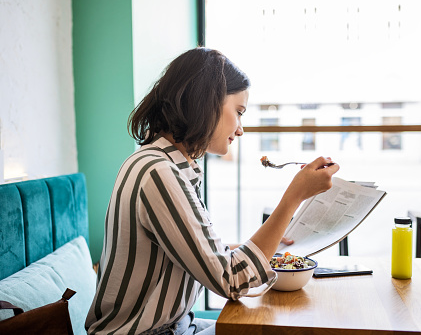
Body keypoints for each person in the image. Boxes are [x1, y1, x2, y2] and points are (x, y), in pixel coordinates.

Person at [85, 47, 339, 335]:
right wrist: (295, 196)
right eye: (238, 112)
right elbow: (231, 280)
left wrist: (267, 242)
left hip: (179, 326)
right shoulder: (158, 173)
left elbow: (203, 254)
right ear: (206, 102)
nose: (240, 129)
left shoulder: (159, 164)